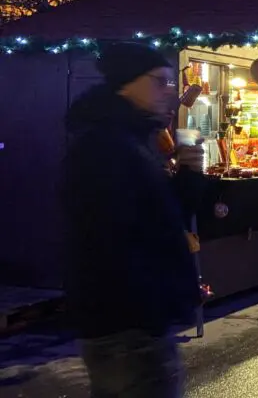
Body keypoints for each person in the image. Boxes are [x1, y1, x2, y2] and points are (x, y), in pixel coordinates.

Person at [62, 42, 203, 398]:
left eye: (170, 83)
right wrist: (155, 302)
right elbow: (110, 237)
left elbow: (158, 215)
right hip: (128, 327)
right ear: (128, 83)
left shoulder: (133, 140)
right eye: (160, 81)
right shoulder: (105, 146)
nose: (167, 92)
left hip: (135, 323)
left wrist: (188, 178)